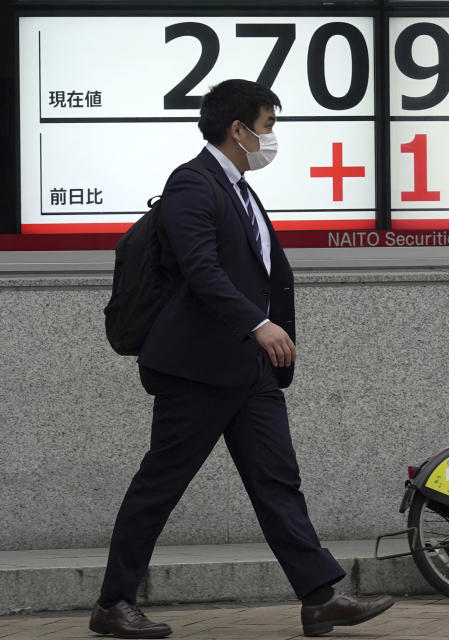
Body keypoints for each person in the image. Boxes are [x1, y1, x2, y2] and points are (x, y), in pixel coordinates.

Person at [90, 79, 393, 639]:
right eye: (268, 125)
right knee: (160, 484)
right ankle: (113, 602)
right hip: (197, 370)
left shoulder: (238, 187)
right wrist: (258, 324)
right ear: (239, 129)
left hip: (246, 372)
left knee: (278, 481)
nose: (271, 138)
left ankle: (319, 597)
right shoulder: (193, 183)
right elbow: (201, 269)